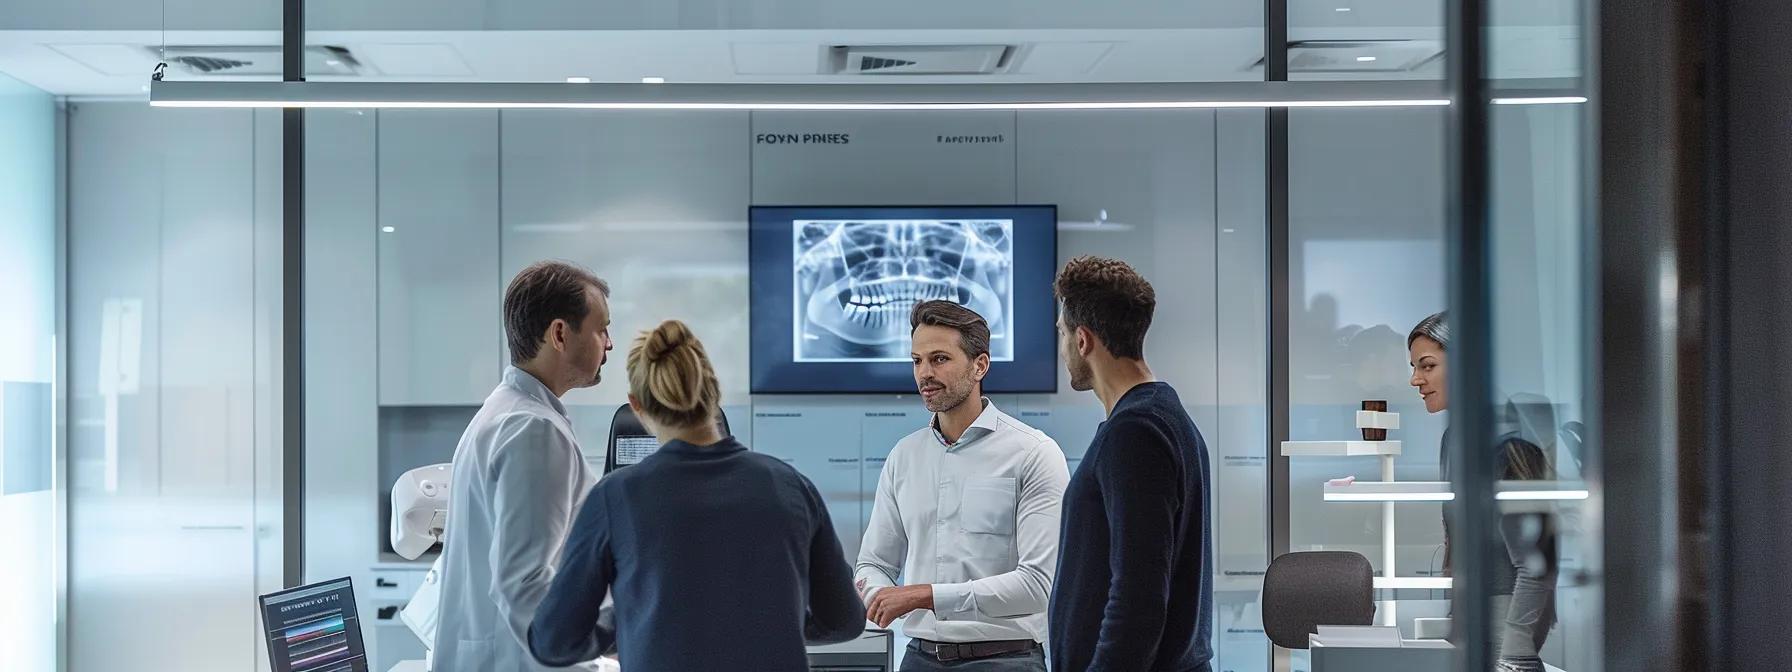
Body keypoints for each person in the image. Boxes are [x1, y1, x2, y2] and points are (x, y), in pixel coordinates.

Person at [529, 320, 865, 670]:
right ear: (714, 393)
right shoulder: (790, 487)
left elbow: (553, 639)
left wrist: (628, 623)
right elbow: (845, 620)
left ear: (637, 406)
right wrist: (773, 621)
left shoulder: (616, 498)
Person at [857, 300, 1069, 671]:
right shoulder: (904, 457)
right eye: (917, 361)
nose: (924, 373)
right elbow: (873, 562)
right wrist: (879, 594)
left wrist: (925, 596)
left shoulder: (1033, 453)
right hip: (919, 658)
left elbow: (1039, 585)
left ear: (980, 366)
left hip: (1006, 660)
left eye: (939, 359)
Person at [435, 260, 614, 672]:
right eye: (601, 328)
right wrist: (597, 650)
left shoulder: (508, 413)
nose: (609, 344)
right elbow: (524, 584)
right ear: (559, 334)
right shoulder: (532, 429)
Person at [1048, 256, 1213, 672]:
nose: (1062, 349)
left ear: (1083, 340)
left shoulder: (1136, 432)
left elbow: (1138, 595)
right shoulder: (1160, 417)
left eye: (1062, 335)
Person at [1407, 312, 1558, 672]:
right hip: (1468, 626)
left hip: (1502, 638)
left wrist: (1514, 657)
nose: (1415, 379)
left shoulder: (1507, 442)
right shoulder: (1454, 438)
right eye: (1414, 367)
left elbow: (1537, 564)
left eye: (1427, 366)